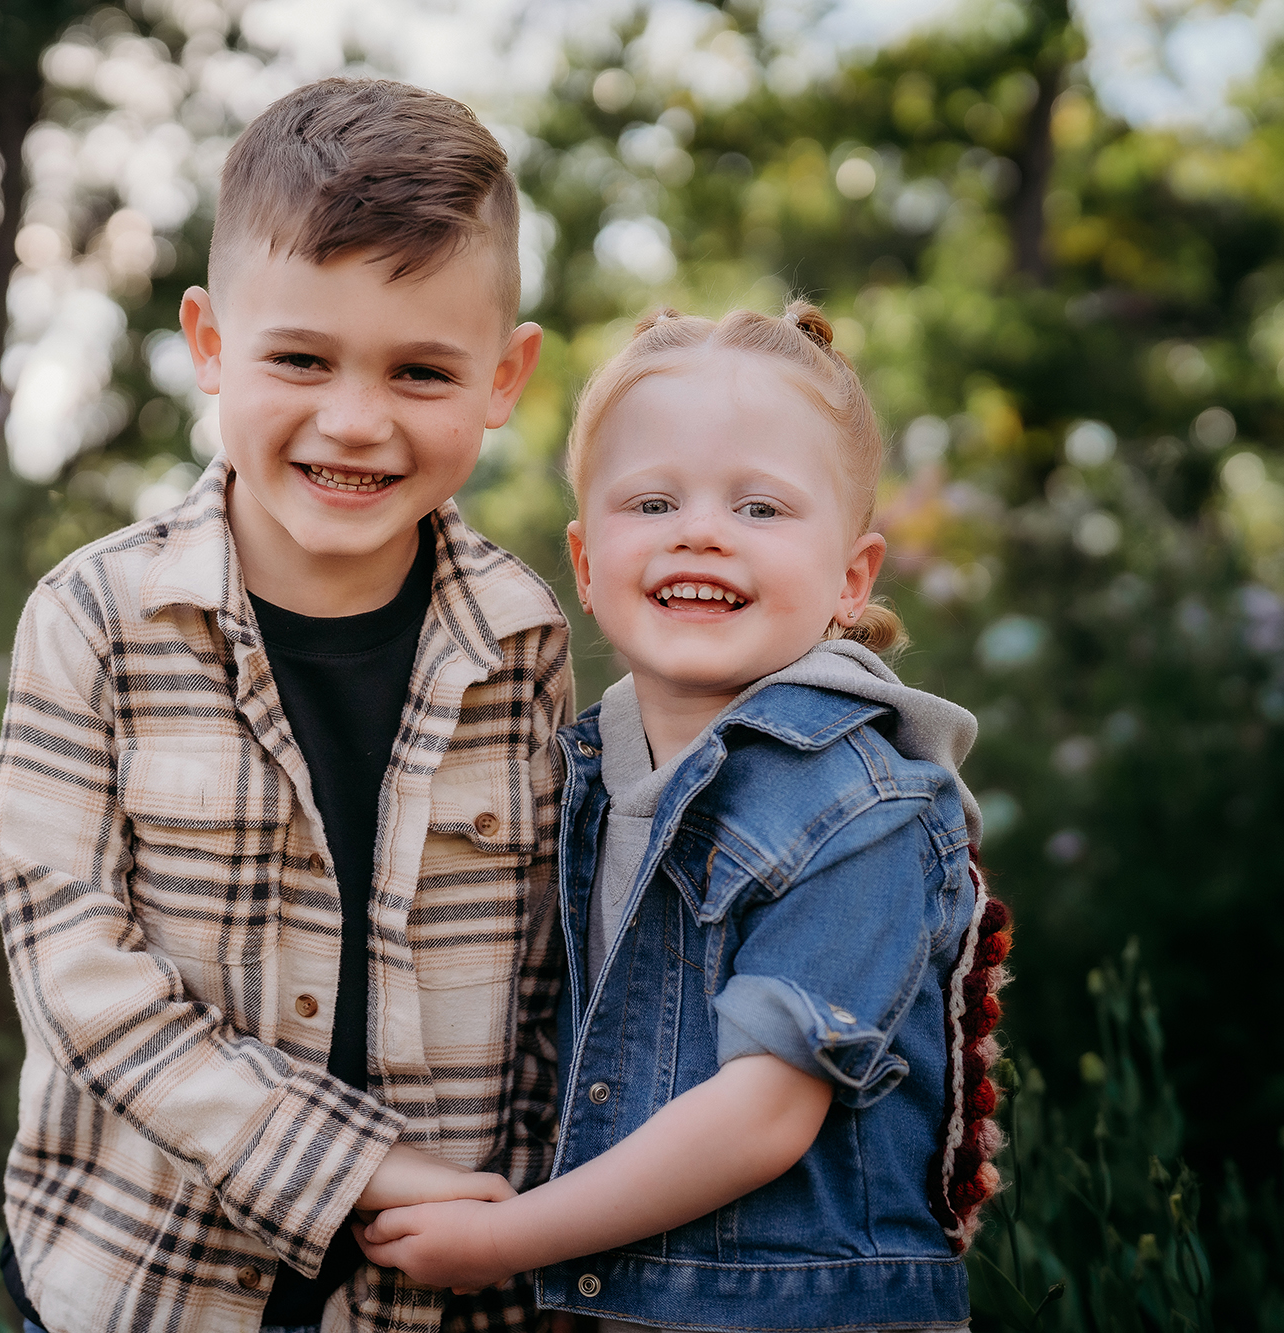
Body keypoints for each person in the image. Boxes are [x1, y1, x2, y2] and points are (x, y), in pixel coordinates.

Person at [0, 77, 573, 1333]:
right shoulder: (93, 619)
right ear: (207, 345)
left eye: (421, 371)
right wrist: (355, 1165)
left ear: (504, 377)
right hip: (143, 1280)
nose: (352, 422)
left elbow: (544, 975)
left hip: (434, 1297)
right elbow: (77, 977)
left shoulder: (520, 640)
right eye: (299, 358)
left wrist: (527, 1229)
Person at [356, 303, 1013, 1332]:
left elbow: (761, 1116)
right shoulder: (583, 769)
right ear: (582, 562)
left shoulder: (860, 803)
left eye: (759, 508)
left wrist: (504, 1240)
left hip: (796, 1310)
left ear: (850, 579)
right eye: (652, 500)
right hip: (631, 1303)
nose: (699, 530)